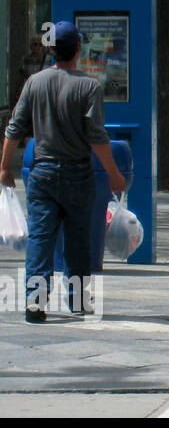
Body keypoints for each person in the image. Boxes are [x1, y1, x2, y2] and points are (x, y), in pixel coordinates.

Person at [2, 22, 127, 322]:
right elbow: (96, 136)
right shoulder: (89, 86)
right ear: (78, 50)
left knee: (41, 238)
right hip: (77, 173)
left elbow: (15, 127)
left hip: (42, 173)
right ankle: (79, 301)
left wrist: (4, 166)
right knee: (78, 239)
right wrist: (113, 173)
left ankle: (35, 302)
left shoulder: (34, 83)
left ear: (51, 50)